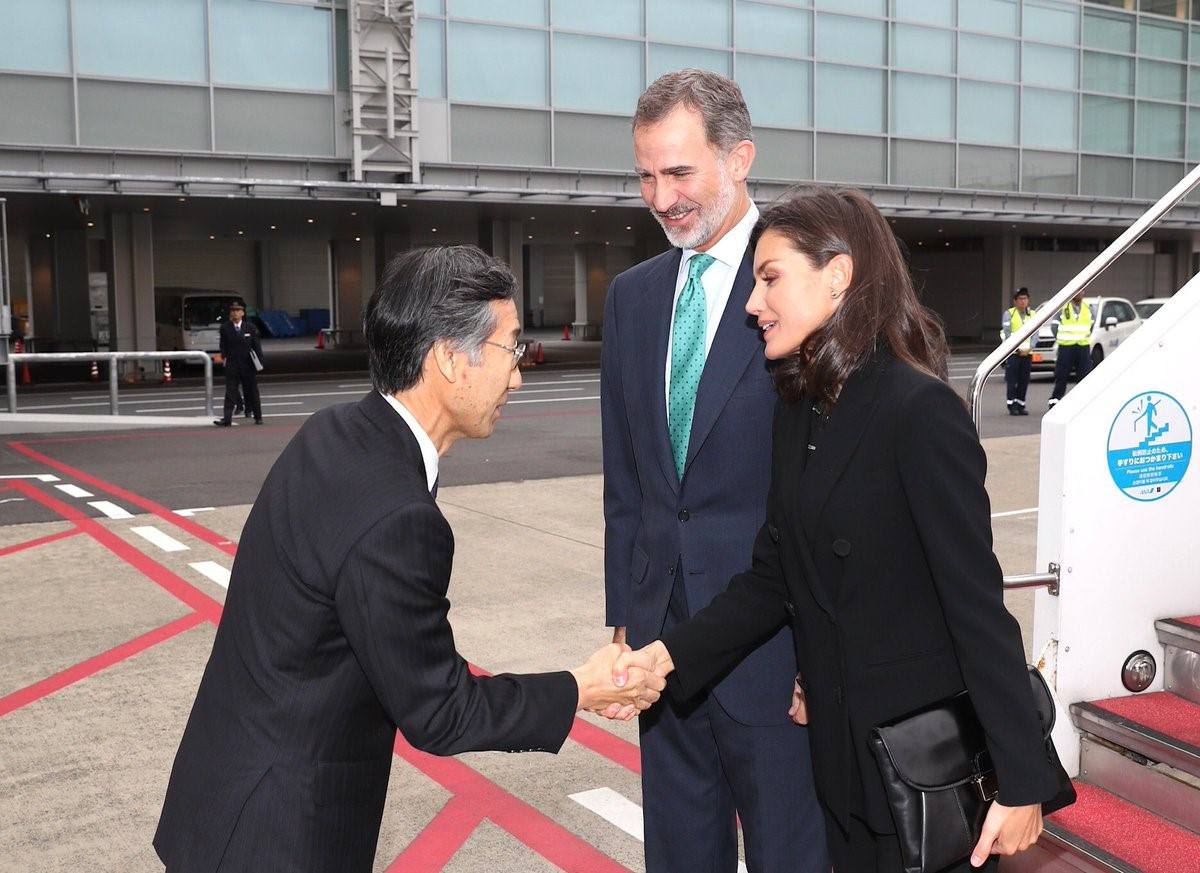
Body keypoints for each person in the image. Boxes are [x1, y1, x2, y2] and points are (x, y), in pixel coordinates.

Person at [155, 246, 665, 873]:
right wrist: (579, 688)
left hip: (224, 794)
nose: (518, 376)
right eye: (511, 350)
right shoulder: (400, 517)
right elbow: (440, 712)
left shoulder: (333, 431)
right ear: (451, 359)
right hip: (282, 830)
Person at [621, 188, 1062, 872]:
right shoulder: (802, 407)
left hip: (919, 768)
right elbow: (773, 574)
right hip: (840, 760)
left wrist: (1022, 779)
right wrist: (666, 657)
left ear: (839, 274)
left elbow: (976, 608)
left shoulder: (920, 413)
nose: (752, 303)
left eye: (770, 279)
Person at [601, 70, 825, 872]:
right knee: (680, 852)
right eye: (645, 175)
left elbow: (830, 492)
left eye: (680, 172)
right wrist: (627, 613)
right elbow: (625, 477)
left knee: (790, 854)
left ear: (740, 159)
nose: (661, 197)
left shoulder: (798, 287)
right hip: (662, 644)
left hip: (773, 644)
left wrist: (822, 651)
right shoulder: (632, 297)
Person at [214, 300, 264, 426]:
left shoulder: (250, 328)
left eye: (238, 311)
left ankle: (258, 416)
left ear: (242, 313)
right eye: (233, 311)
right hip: (232, 364)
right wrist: (223, 357)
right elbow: (223, 346)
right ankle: (227, 419)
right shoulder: (225, 328)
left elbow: (257, 346)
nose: (235, 313)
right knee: (230, 392)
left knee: (252, 391)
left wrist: (260, 362)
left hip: (248, 365)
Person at [1048, 291, 1092, 409]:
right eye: (1077, 291)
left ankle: (1082, 403)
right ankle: (1055, 401)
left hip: (1083, 346)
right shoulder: (1063, 307)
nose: (1079, 293)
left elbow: (1090, 325)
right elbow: (1054, 326)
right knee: (1062, 375)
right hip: (1066, 347)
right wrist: (1062, 338)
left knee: (1084, 376)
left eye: (1082, 291)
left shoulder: (1088, 307)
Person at [1001, 288, 1036, 416]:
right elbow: (1007, 333)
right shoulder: (1009, 314)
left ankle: (1021, 404)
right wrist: (1017, 349)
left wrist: (1030, 348)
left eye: (1025, 298)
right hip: (1014, 353)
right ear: (1015, 301)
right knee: (1012, 380)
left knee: (1024, 380)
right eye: (1020, 299)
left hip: (1027, 353)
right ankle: (1012, 405)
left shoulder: (1032, 314)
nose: (1023, 301)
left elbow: (1035, 334)